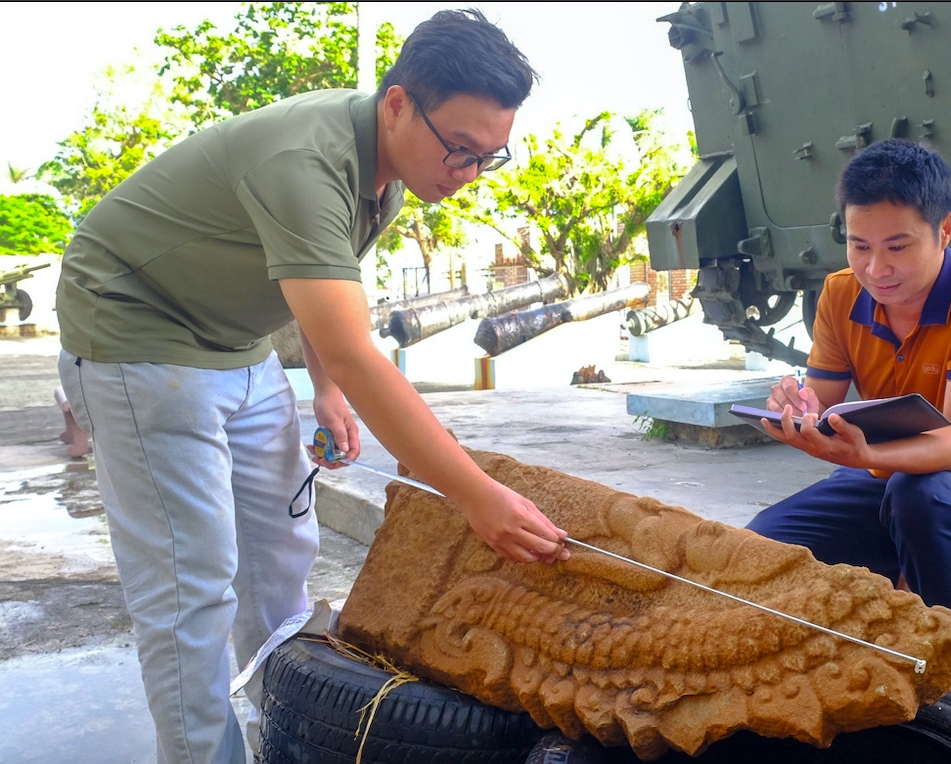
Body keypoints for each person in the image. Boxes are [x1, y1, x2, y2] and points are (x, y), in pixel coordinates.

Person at [55, 10, 569, 764]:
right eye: (458, 148)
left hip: (239, 343)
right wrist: (473, 494)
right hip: (139, 337)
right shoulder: (305, 159)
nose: (465, 174)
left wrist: (326, 394)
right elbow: (360, 354)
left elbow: (328, 300)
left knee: (278, 560)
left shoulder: (388, 171)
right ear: (396, 103)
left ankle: (292, 728)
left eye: (487, 157)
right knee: (189, 586)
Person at [744, 139, 951, 701]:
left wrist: (866, 456)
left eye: (898, 247)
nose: (875, 269)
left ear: (946, 229)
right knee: (766, 547)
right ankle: (872, 631)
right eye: (859, 246)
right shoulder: (838, 293)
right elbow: (822, 398)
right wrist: (793, 407)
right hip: (881, 482)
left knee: (922, 495)